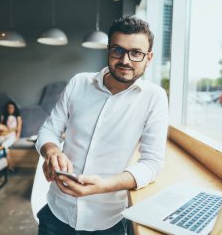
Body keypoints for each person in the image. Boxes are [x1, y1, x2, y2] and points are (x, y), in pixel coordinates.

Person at [35, 16, 169, 235]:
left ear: (149, 57)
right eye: (118, 50)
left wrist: (105, 185)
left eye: (136, 53)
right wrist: (51, 151)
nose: (125, 60)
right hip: (57, 211)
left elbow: (152, 163)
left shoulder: (155, 98)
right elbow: (50, 129)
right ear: (108, 50)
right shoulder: (79, 82)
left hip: (108, 221)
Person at [0, 100, 22, 169]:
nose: (10, 109)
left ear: (14, 109)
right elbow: (0, 127)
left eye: (11, 108)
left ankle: (6, 164)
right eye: (9, 108)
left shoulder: (17, 117)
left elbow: (19, 128)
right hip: (4, 134)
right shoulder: (4, 116)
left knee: (3, 146)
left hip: (12, 135)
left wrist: (17, 137)